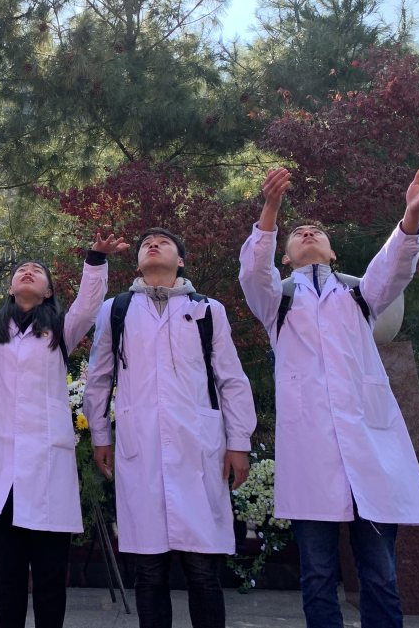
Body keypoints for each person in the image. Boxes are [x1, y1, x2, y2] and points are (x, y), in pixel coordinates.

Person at [238, 165, 419, 628]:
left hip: (370, 451)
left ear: (333, 252)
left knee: (381, 575)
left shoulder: (359, 296)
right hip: (311, 456)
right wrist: (270, 208)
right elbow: (253, 273)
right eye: (297, 234)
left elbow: (392, 268)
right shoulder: (277, 302)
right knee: (317, 575)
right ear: (284, 256)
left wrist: (410, 216)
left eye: (316, 232)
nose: (307, 233)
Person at [0, 202, 125, 628]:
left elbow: (88, 306)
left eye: (37, 271)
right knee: (9, 581)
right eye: (21, 269)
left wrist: (95, 260)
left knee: (51, 580)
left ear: (49, 292)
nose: (27, 272)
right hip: (3, 473)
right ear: (9, 288)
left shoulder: (61, 331)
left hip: (46, 470)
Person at [84, 228, 256, 628]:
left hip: (198, 450)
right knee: (148, 573)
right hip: (140, 447)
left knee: (203, 572)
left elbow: (231, 379)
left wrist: (239, 441)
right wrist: (100, 435)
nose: (152, 245)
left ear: (180, 261)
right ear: (137, 262)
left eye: (163, 242)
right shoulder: (116, 309)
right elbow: (99, 377)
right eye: (146, 244)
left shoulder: (208, 310)